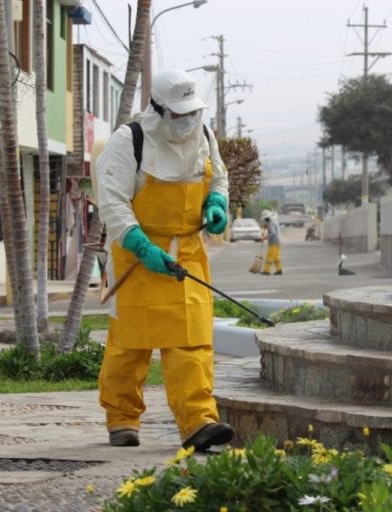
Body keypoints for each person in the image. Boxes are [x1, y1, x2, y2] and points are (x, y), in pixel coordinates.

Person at [95, 69, 234, 451]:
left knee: (191, 342)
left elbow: (218, 177)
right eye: (178, 114)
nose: (187, 121)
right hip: (136, 258)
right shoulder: (129, 142)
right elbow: (113, 202)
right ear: (157, 110)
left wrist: (217, 203)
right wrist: (142, 246)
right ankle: (121, 418)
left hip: (187, 256)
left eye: (192, 112)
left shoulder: (204, 136)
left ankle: (199, 422)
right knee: (130, 346)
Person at [259, 210, 283, 275]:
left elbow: (272, 233)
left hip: (274, 243)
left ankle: (267, 271)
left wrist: (264, 238)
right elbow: (273, 230)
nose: (265, 220)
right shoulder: (274, 221)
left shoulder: (270, 223)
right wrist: (266, 227)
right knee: (276, 257)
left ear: (267, 218)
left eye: (265, 219)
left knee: (269, 256)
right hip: (278, 242)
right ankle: (279, 270)